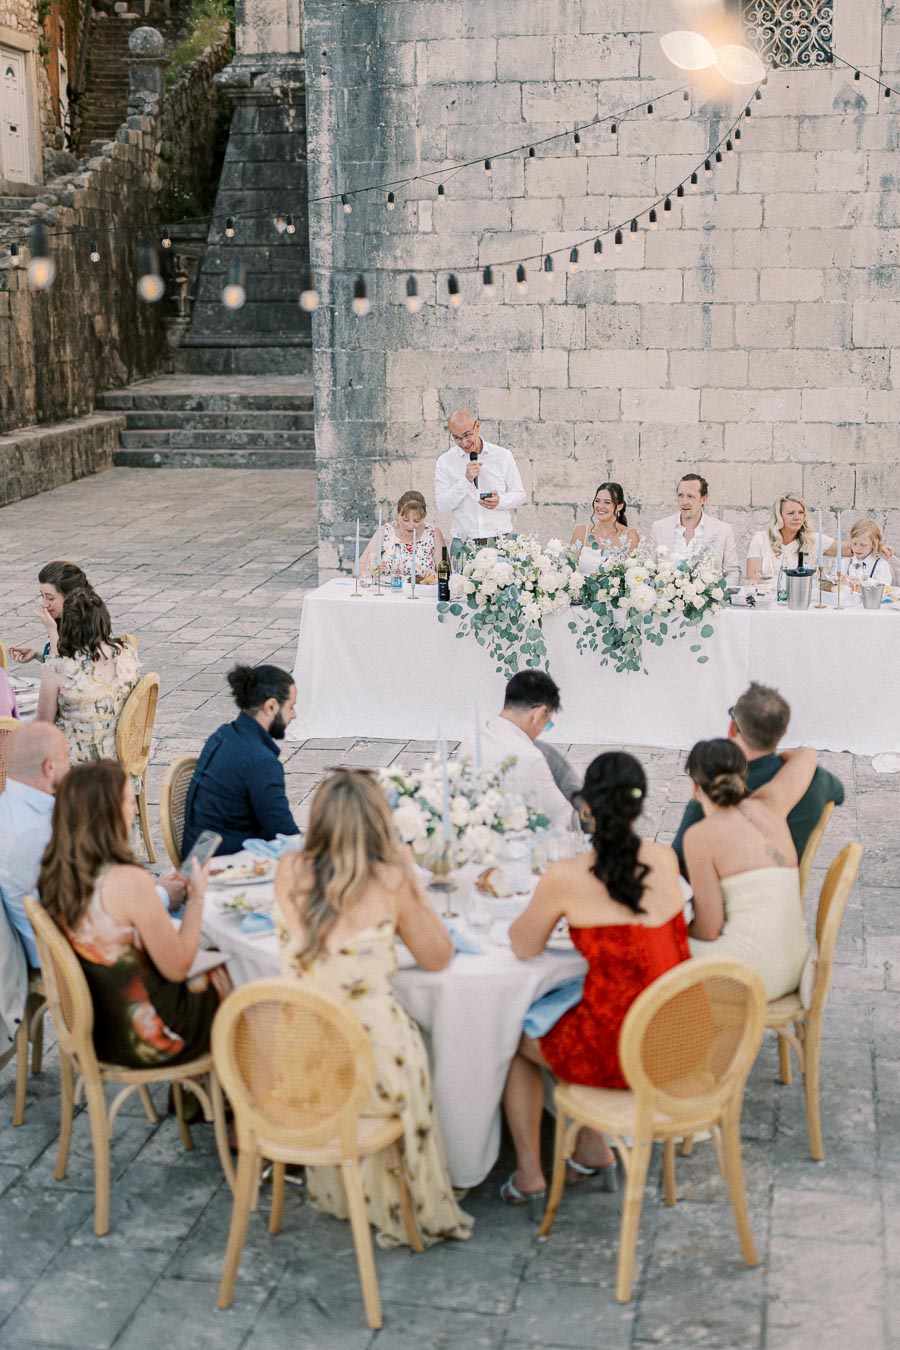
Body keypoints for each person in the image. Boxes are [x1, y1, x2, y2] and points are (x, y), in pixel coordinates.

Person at [274, 769, 473, 1249]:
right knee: (422, 1041)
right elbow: (438, 956)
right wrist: (410, 879)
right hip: (372, 1072)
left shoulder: (288, 870)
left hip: (302, 1071)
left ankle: (352, 1188)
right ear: (380, 822)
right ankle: (429, 1182)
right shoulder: (390, 880)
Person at [501, 752, 690, 1207]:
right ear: (639, 805)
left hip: (620, 1053)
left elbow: (523, 946)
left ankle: (529, 1173)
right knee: (585, 1007)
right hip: (677, 1039)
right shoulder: (665, 859)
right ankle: (591, 1146)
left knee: (514, 1038)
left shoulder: (566, 876)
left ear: (586, 808)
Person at [39, 761, 228, 1068]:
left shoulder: (58, 872)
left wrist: (156, 891)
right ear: (109, 813)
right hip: (150, 1037)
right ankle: (238, 1086)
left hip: (100, 1030)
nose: (136, 811)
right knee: (240, 977)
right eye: (129, 802)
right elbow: (178, 967)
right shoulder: (127, 881)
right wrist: (196, 896)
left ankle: (199, 1088)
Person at [683, 738, 815, 1001]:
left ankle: (677, 1025)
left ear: (695, 786)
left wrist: (680, 928)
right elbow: (808, 755)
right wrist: (785, 757)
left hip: (750, 976)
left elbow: (709, 929)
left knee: (650, 948)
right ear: (743, 776)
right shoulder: (770, 804)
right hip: (797, 966)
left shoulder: (699, 836)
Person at [671, 682, 844, 874]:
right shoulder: (814, 778)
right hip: (787, 886)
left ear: (732, 728)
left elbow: (678, 865)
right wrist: (804, 756)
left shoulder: (713, 794)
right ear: (783, 732)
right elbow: (839, 793)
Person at [182, 664, 299, 857]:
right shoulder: (262, 762)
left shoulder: (223, 735)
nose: (294, 715)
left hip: (198, 850)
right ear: (271, 706)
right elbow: (284, 833)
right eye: (291, 707)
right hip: (223, 861)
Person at [36, 589, 140, 766]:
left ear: (67, 625)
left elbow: (43, 729)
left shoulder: (57, 669)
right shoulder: (127, 654)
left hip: (77, 772)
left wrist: (53, 635)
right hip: (123, 765)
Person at [459, 671, 574, 830]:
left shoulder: (471, 739)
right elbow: (563, 818)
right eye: (546, 724)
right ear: (538, 714)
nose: (541, 730)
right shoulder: (530, 758)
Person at [0, 723, 70, 969]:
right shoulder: (34, 833)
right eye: (66, 756)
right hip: (58, 960)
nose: (70, 763)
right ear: (49, 767)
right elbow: (69, 912)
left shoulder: (9, 807)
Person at [434, 409, 526, 557]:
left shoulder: (502, 456)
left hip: (500, 542)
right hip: (463, 545)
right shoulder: (445, 461)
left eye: (467, 435)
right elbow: (442, 505)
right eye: (456, 438)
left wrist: (500, 501)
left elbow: (520, 495)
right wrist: (465, 481)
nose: (464, 443)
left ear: (477, 426)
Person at [650, 474, 741, 587]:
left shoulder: (723, 530)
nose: (684, 502)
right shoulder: (659, 528)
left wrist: (717, 594)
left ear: (704, 498)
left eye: (690, 496)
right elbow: (649, 570)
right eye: (681, 495)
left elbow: (733, 572)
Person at [9, 561, 93, 665]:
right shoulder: (64, 619)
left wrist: (52, 631)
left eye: (50, 598)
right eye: (42, 596)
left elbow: (59, 670)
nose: (44, 604)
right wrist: (36, 654)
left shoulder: (86, 630)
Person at [359, 490, 445, 582]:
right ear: (398, 514)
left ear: (424, 516)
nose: (411, 526)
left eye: (416, 521)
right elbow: (361, 565)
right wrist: (368, 573)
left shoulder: (433, 534)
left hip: (421, 589)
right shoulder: (386, 531)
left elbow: (445, 573)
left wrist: (435, 576)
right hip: (387, 589)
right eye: (405, 520)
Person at [569, 483, 639, 572]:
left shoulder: (629, 536)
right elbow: (569, 568)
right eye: (597, 501)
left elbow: (633, 572)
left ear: (619, 506)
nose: (600, 506)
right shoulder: (581, 532)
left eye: (607, 502)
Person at [840, 518, 892, 588]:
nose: (857, 548)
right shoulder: (844, 563)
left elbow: (885, 589)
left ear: (873, 544)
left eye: (863, 545)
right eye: (854, 543)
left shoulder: (881, 565)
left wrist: (865, 581)